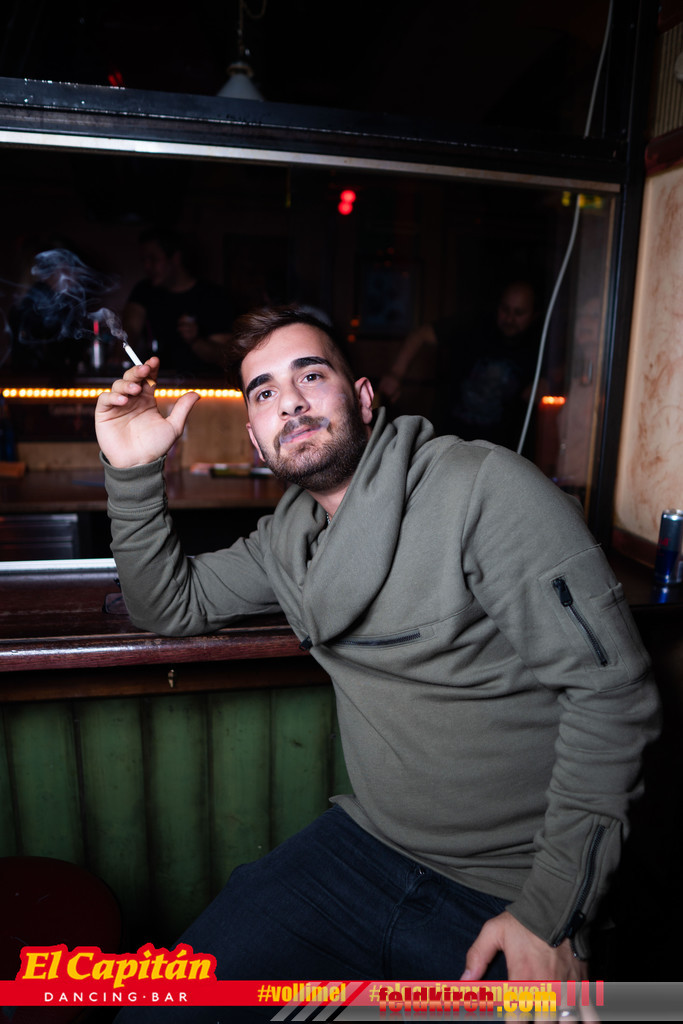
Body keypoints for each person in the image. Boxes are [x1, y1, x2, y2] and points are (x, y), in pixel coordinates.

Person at [96, 305, 658, 1019]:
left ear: (363, 398)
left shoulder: (482, 488)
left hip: (516, 881)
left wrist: (552, 912)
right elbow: (166, 604)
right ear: (255, 439)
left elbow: (613, 697)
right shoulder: (289, 541)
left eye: (310, 376)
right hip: (365, 852)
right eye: (264, 392)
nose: (289, 401)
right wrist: (133, 469)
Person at [379, 280, 542, 449]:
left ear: (534, 315)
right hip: (451, 438)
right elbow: (420, 335)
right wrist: (396, 374)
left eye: (519, 313)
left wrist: (546, 386)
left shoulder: (540, 344)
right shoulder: (475, 323)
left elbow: (554, 378)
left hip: (502, 448)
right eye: (505, 309)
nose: (509, 318)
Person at [122, 227, 232, 377]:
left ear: (175, 258)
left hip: (203, 384)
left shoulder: (212, 296)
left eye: (153, 259)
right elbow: (130, 329)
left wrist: (195, 340)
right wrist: (118, 355)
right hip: (154, 382)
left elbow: (224, 356)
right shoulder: (143, 291)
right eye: (144, 260)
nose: (147, 266)